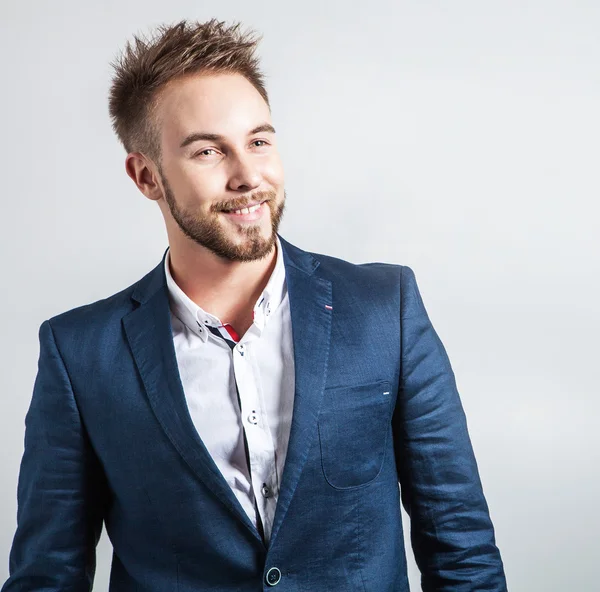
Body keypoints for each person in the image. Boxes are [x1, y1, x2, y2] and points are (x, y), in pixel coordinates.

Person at [1, 18, 507, 592]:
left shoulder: (384, 310)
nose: (248, 177)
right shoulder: (80, 354)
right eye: (209, 151)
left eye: (259, 141)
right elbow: (48, 575)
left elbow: (461, 548)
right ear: (146, 176)